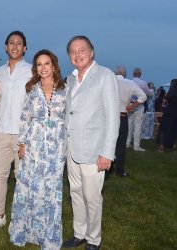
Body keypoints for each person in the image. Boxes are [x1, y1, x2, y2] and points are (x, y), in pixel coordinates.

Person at [62, 36, 119, 250]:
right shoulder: (70, 79)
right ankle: (80, 233)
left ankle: (94, 240)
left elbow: (113, 118)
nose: (77, 55)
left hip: (94, 150)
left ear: (92, 52)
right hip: (71, 148)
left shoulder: (105, 76)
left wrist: (107, 152)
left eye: (82, 50)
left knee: (92, 197)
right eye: (73, 51)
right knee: (75, 193)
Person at [9, 49, 67, 249]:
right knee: (29, 189)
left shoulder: (65, 88)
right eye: (39, 64)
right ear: (36, 68)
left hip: (56, 147)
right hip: (34, 145)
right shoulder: (32, 89)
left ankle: (48, 236)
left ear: (54, 66)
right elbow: (25, 118)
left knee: (51, 191)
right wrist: (22, 144)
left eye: (47, 63)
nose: (43, 68)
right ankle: (25, 231)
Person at [0, 31, 32, 232]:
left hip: (24, 134)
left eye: (19, 43)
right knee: (1, 175)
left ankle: (21, 218)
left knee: (21, 177)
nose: (15, 46)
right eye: (11, 43)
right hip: (2, 131)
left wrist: (28, 137)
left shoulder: (32, 71)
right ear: (6, 47)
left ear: (25, 48)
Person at [112, 66, 146, 177]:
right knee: (121, 144)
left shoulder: (109, 80)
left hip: (108, 117)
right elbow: (143, 96)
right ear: (125, 74)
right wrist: (133, 106)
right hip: (122, 116)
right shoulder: (129, 83)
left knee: (107, 143)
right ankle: (120, 171)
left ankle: (107, 168)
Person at [126, 67, 151, 151]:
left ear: (133, 74)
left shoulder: (129, 82)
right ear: (140, 74)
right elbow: (148, 93)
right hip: (139, 105)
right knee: (138, 125)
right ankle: (136, 146)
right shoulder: (143, 83)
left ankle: (127, 143)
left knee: (129, 124)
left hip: (130, 104)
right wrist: (151, 91)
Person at [157, 78, 177, 152]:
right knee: (175, 129)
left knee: (164, 128)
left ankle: (162, 146)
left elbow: (165, 101)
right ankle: (173, 146)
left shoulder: (172, 91)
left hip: (170, 111)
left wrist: (164, 104)